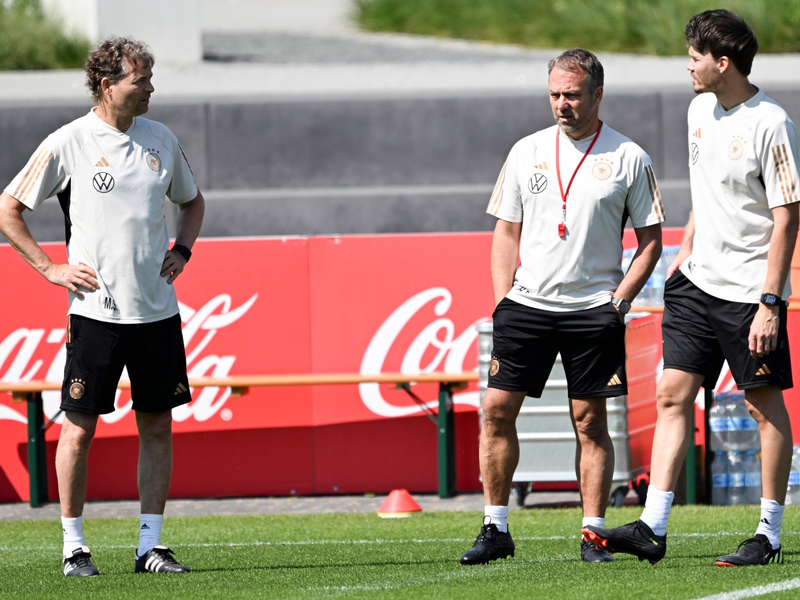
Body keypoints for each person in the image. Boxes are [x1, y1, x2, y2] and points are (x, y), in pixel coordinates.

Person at [584, 9, 798, 567]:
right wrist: (682, 257)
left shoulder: (772, 123)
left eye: (696, 57)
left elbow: (787, 217)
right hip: (695, 284)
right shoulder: (698, 109)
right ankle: (652, 526)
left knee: (762, 408)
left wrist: (772, 302)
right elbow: (705, 194)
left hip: (751, 295)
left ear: (722, 63)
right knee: (672, 395)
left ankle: (769, 534)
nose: (689, 66)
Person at [0, 37, 205, 576]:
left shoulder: (161, 138)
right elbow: (8, 208)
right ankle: (74, 547)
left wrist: (182, 248)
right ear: (107, 84)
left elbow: (193, 200)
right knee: (80, 428)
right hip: (96, 314)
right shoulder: (68, 141)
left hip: (158, 311)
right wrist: (50, 269)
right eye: (140, 80)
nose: (150, 88)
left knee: (157, 426)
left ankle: (150, 547)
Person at [459, 48, 664, 566]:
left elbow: (651, 242)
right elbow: (506, 231)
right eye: (554, 94)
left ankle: (593, 534)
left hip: (594, 308)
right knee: (496, 411)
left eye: (572, 94)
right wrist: (503, 300)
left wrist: (618, 303)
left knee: (589, 420)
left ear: (597, 94)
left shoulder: (628, 157)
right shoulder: (525, 151)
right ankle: (495, 527)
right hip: (526, 305)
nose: (562, 104)